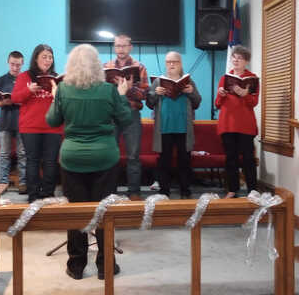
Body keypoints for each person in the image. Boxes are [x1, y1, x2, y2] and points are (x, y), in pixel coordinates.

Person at [46, 44, 132, 280]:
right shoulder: (108, 90)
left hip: (73, 158)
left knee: (76, 213)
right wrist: (122, 95)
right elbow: (125, 119)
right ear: (97, 66)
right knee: (105, 212)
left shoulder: (63, 89)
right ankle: (105, 265)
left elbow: (53, 121)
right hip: (105, 157)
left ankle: (76, 265)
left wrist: (55, 99)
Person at [11, 44, 63, 203]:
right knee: (32, 160)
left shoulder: (57, 78)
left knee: (51, 161)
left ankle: (48, 193)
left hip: (53, 127)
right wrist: (29, 90)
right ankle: (33, 195)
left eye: (50, 57)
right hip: (30, 127)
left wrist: (58, 92)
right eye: (44, 56)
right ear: (36, 58)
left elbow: (64, 103)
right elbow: (15, 98)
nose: (48, 60)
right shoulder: (25, 76)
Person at [146, 51, 202, 198]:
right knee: (164, 161)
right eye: (168, 62)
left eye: (174, 62)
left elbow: (197, 102)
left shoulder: (188, 81)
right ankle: (164, 191)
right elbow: (150, 104)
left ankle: (185, 190)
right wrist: (154, 93)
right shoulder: (158, 81)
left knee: (185, 161)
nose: (171, 64)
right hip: (164, 128)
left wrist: (191, 92)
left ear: (180, 63)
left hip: (184, 127)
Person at [104, 34, 149, 200]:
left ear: (130, 47)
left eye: (123, 46)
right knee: (110, 154)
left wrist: (129, 89)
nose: (120, 49)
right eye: (117, 46)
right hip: (112, 114)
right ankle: (110, 191)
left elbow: (144, 94)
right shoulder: (107, 67)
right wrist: (115, 87)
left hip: (131, 114)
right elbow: (102, 92)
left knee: (133, 155)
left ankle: (134, 192)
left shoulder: (139, 67)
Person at [215, 45, 259, 198]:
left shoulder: (252, 78)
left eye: (239, 58)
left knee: (248, 158)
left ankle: (252, 190)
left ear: (246, 61)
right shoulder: (224, 78)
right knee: (231, 159)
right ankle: (232, 190)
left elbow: (254, 102)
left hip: (245, 126)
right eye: (234, 57)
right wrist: (220, 94)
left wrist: (245, 94)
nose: (235, 60)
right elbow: (217, 104)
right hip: (227, 124)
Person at [0, 51, 26, 193]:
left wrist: (18, 100)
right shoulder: (1, 80)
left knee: (23, 154)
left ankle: (24, 183)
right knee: (4, 154)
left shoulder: (26, 80)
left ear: (22, 64)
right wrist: (8, 101)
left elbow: (29, 100)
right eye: (13, 64)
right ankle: (2, 184)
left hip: (22, 122)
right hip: (5, 123)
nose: (15, 67)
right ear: (8, 63)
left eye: (18, 65)